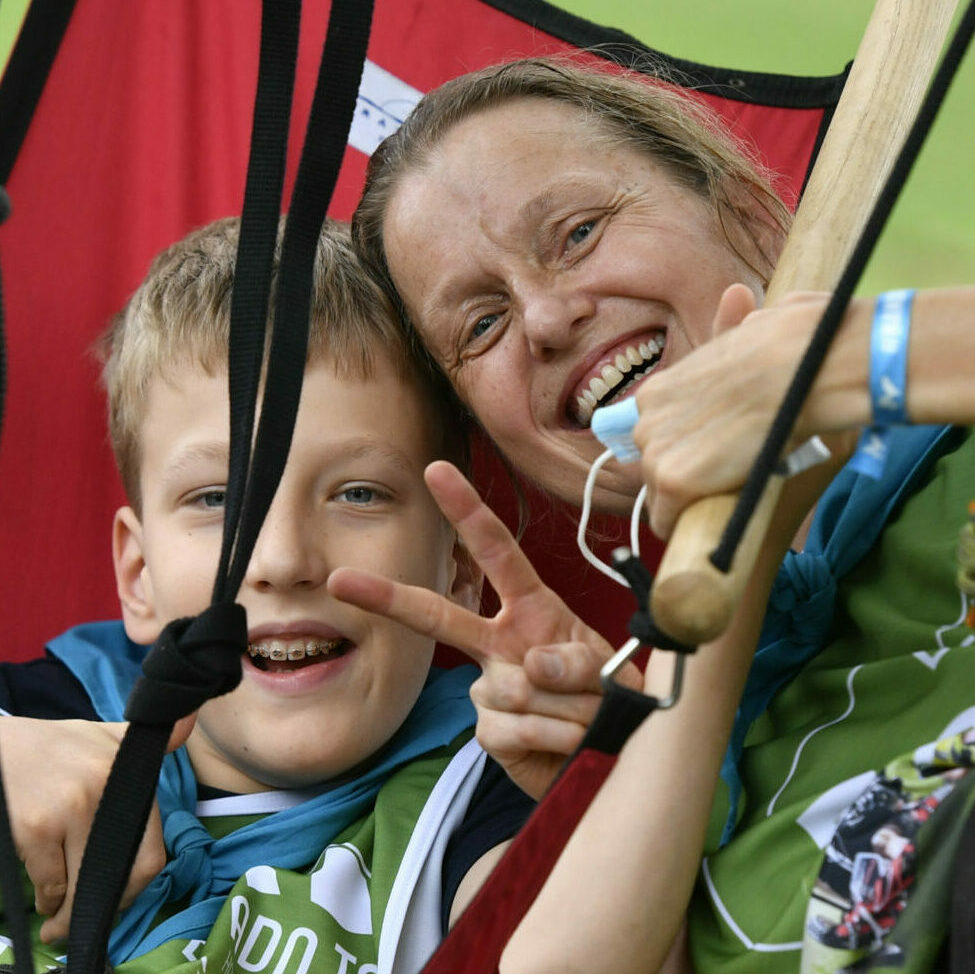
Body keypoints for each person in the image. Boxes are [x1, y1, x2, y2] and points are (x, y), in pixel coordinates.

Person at [325, 55, 975, 972]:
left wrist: (869, 356)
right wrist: (633, 737)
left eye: (578, 232)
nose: (546, 318)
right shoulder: (671, 726)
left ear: (748, 214)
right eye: (480, 325)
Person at [0, 215, 534, 974]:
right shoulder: (40, 714)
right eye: (216, 498)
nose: (282, 560)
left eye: (357, 493)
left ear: (457, 570)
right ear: (139, 574)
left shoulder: (489, 788)